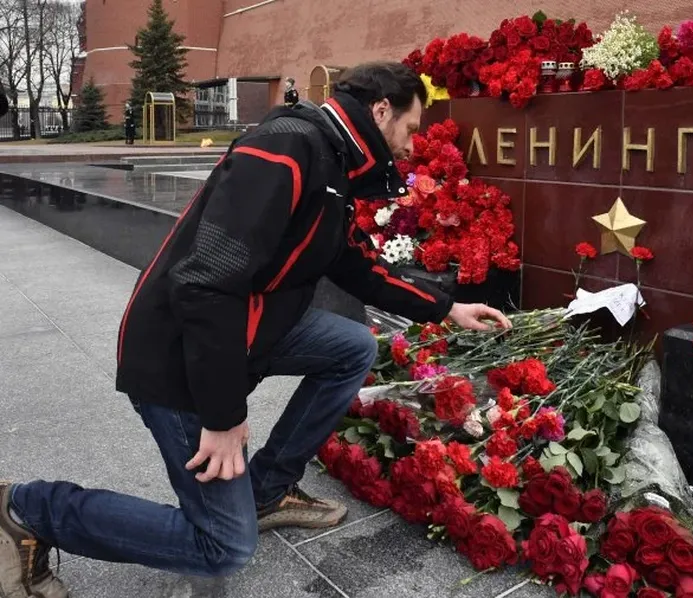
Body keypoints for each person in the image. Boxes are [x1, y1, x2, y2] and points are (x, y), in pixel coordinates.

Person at [0, 61, 511, 597]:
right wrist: (224, 418)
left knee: (353, 347)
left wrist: (445, 308)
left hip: (251, 332)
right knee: (225, 546)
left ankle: (266, 491)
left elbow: (355, 264)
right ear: (381, 110)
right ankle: (27, 511)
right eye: (410, 129)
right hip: (180, 354)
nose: (411, 146)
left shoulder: (332, 160)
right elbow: (204, 284)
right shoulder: (286, 149)